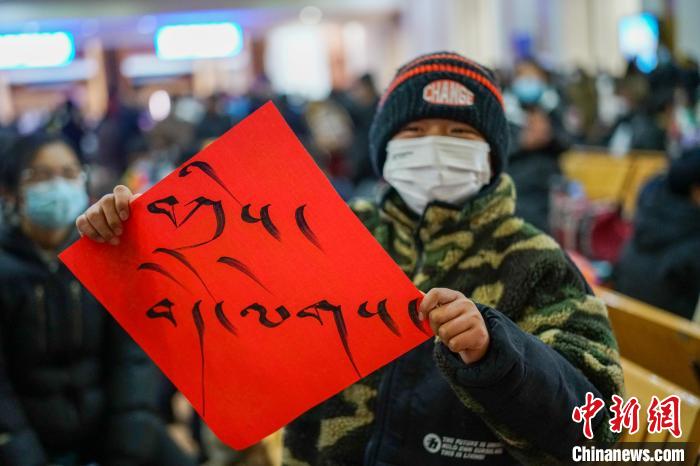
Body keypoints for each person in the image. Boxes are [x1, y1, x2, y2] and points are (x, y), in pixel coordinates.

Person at [75, 52, 623, 465]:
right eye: (415, 131)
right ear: (386, 149)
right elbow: (214, 301)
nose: (435, 145)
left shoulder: (535, 262)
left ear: (491, 153)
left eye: (459, 133)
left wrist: (498, 356)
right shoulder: (330, 230)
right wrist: (131, 237)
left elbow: (595, 429)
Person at [0, 134, 195, 466]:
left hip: (109, 433)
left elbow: (132, 360)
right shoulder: (6, 270)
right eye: (41, 175)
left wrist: (127, 449)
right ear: (11, 191)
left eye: (69, 173)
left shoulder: (101, 252)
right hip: (32, 443)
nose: (58, 185)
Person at [615, 148, 700, 320]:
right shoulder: (693, 239)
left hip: (623, 327)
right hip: (670, 335)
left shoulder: (648, 212)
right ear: (696, 191)